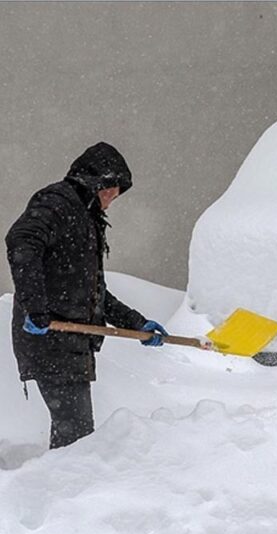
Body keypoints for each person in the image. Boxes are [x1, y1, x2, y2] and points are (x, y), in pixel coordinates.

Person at [6, 142, 168, 449]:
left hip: (70, 345)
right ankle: (61, 492)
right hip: (50, 340)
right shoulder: (57, 202)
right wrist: (35, 308)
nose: (113, 199)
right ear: (96, 182)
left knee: (74, 436)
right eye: (112, 190)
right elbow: (22, 241)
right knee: (76, 436)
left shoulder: (85, 218)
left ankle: (61, 487)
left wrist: (138, 324)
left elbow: (95, 292)